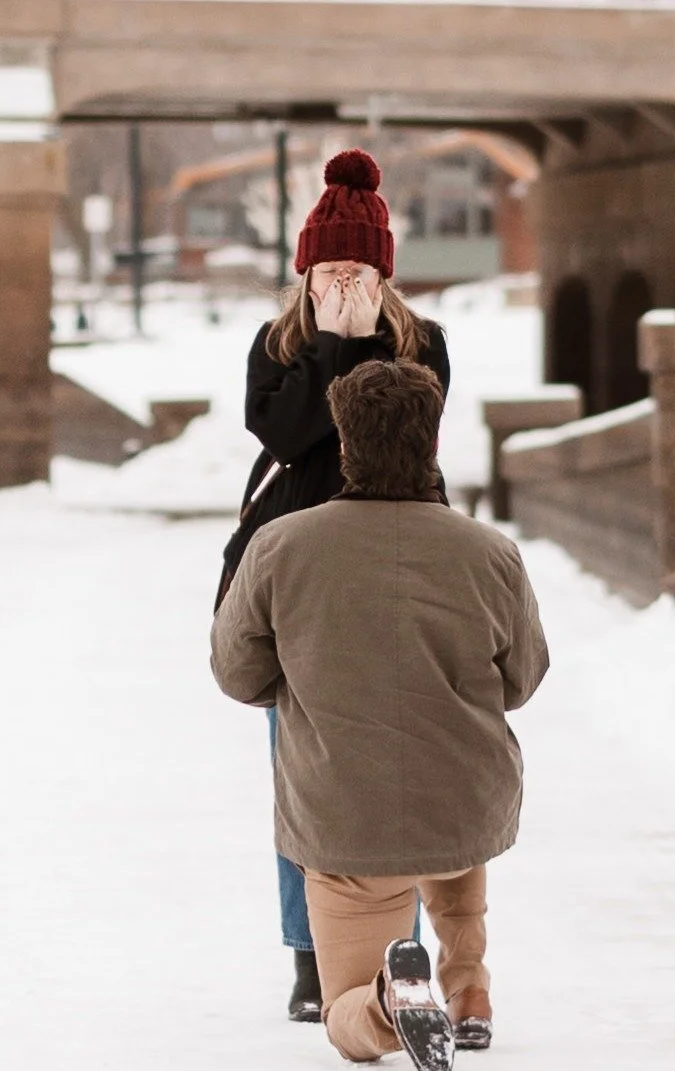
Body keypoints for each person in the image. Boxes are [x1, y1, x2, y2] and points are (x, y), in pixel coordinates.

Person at [211, 358, 549, 1071]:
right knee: (449, 802)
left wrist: (306, 676)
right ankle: (470, 989)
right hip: (465, 810)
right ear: (432, 445)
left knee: (341, 1015)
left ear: (343, 447)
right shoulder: (491, 553)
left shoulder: (282, 546)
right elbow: (521, 681)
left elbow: (235, 673)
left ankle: (389, 1003)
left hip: (344, 823)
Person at [217, 148, 451, 1022]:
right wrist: (332, 344)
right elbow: (283, 433)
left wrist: (362, 347)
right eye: (327, 269)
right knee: (303, 770)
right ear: (304, 272)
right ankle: (312, 954)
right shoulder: (277, 347)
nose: (341, 281)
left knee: (397, 771)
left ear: (384, 272)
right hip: (301, 582)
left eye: (357, 270)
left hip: (393, 565)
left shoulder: (422, 346)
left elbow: (401, 436)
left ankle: (402, 944)